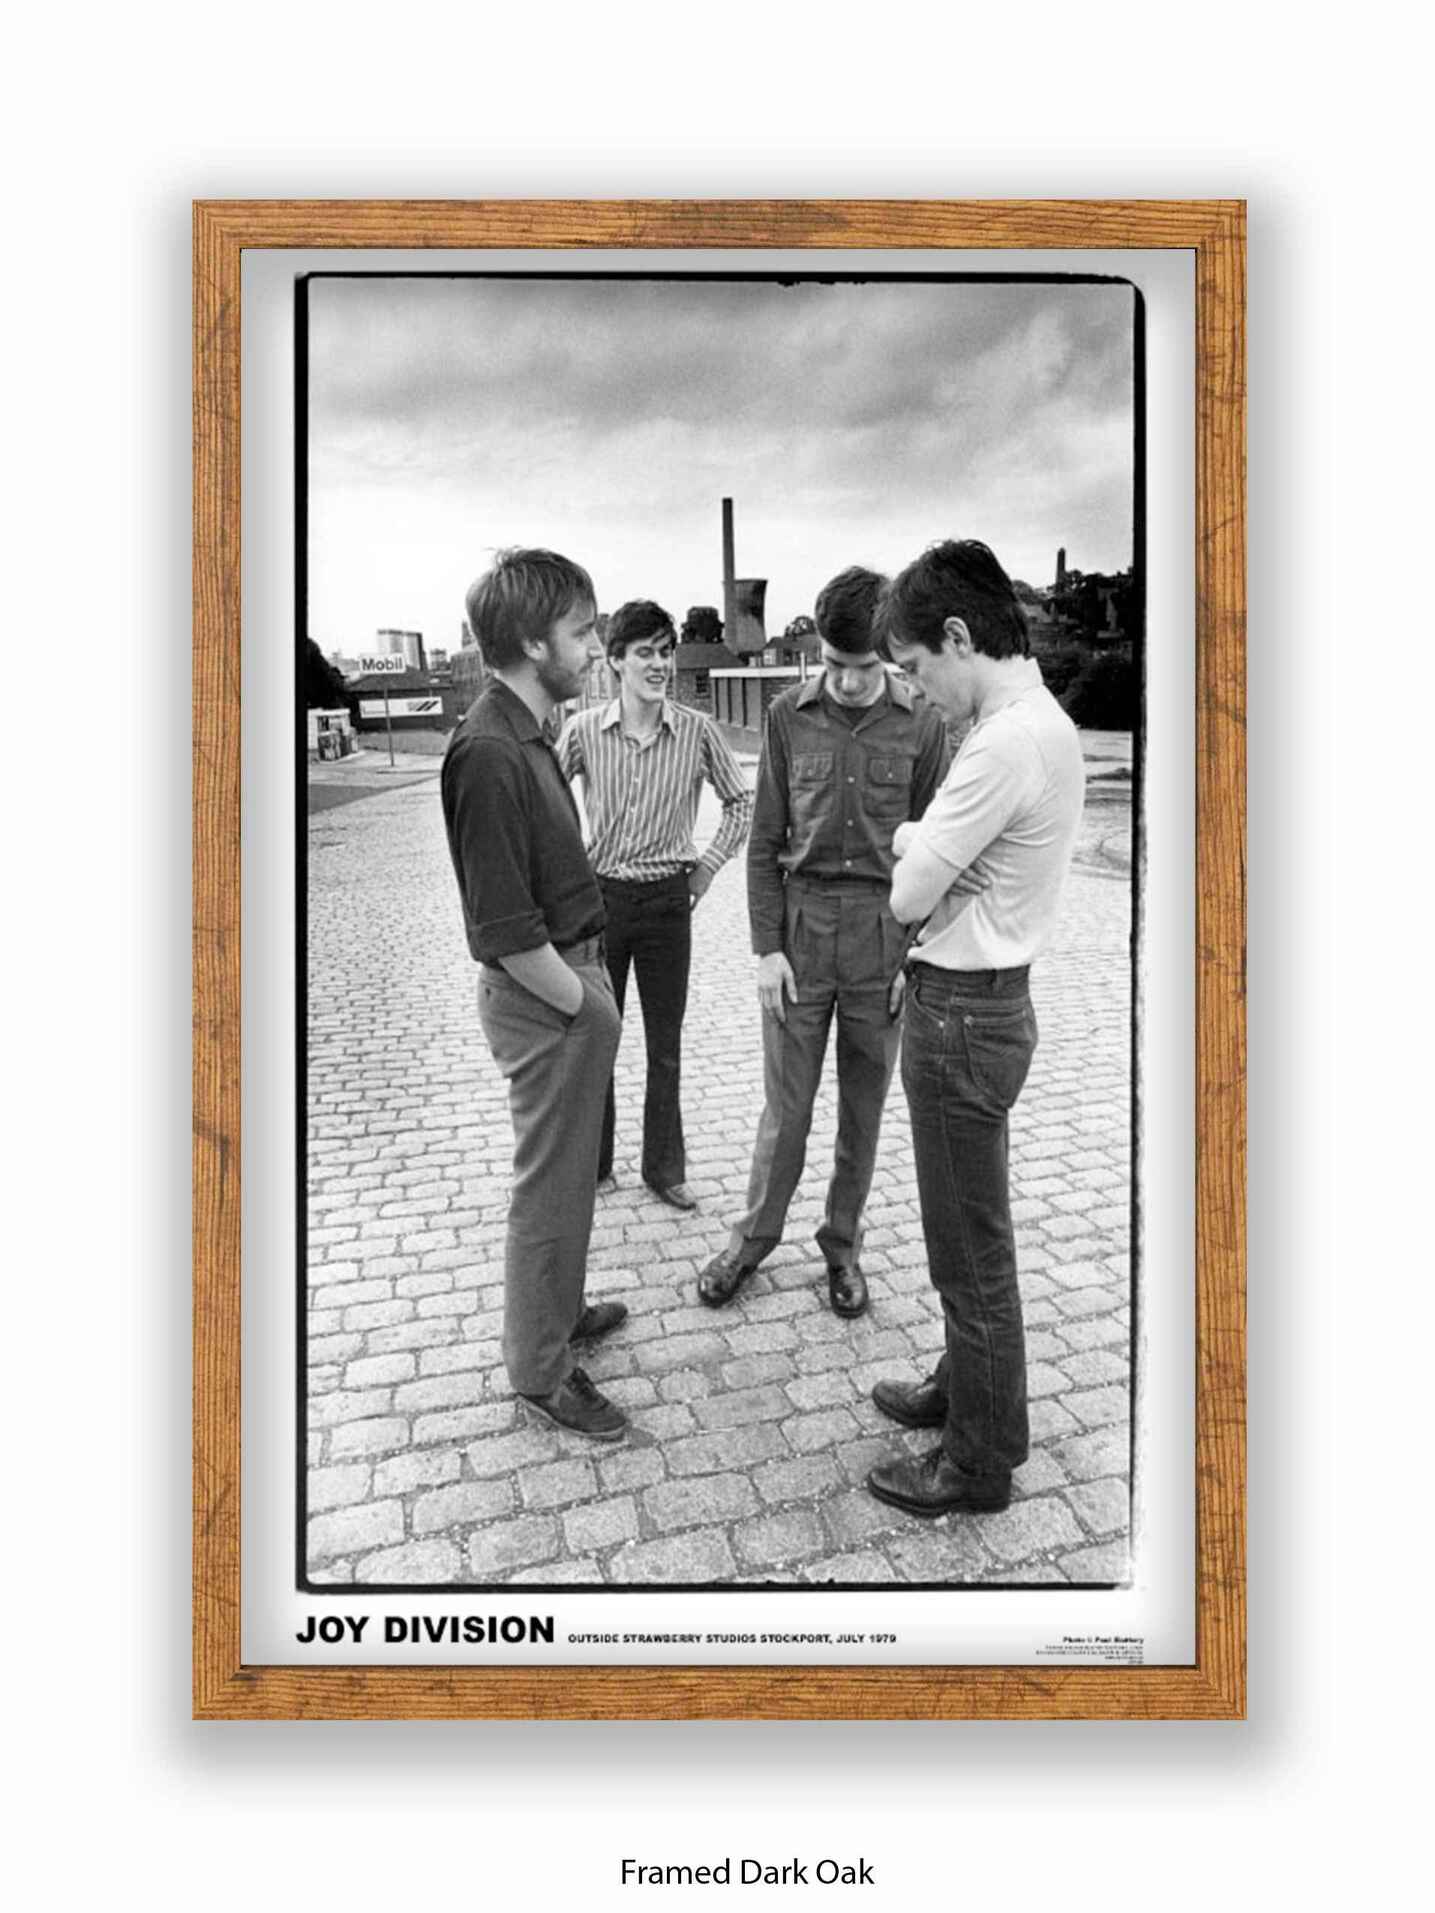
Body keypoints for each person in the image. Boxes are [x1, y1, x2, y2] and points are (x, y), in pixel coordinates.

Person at [865, 539, 1086, 1516]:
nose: (917, 693)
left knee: (969, 1250)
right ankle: (962, 1386)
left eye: (915, 669)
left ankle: (977, 1460)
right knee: (966, 1236)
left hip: (962, 1016)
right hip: (986, 1004)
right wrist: (931, 843)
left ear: (957, 637)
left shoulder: (1002, 739)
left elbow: (908, 889)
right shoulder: (1038, 723)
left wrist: (916, 839)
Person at [698, 566, 949, 1319]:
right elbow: (765, 837)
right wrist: (765, 949)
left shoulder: (923, 723)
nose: (844, 681)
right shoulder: (784, 716)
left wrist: (917, 952)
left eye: (862, 667)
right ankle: (751, 1240)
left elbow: (935, 851)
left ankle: (842, 1248)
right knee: (787, 1108)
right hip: (802, 936)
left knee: (863, 1109)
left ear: (888, 659)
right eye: (833, 665)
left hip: (883, 933)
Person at [440, 548, 629, 1443]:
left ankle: (557, 1310)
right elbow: (504, 927)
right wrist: (584, 1004)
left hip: (566, 981)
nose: (595, 648)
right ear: (529, 641)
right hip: (546, 993)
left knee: (568, 1185)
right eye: (581, 631)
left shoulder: (528, 729)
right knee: (549, 1190)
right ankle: (541, 1368)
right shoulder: (486, 750)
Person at [556, 599, 752, 1210]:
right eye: (645, 652)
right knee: (598, 1039)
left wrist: (708, 868)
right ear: (615, 661)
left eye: (666, 652)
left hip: (670, 903)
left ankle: (664, 1168)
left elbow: (741, 803)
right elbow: (545, 800)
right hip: (602, 901)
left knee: (665, 1043)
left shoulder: (696, 731)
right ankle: (594, 1164)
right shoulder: (583, 730)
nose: (659, 664)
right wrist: (566, 878)